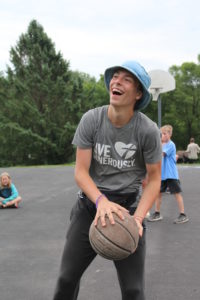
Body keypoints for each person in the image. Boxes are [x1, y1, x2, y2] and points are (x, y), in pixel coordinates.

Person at [52, 60, 162, 300]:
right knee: (65, 281)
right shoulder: (92, 120)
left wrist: (138, 219)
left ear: (138, 93)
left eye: (126, 79)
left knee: (134, 290)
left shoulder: (147, 130)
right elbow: (81, 172)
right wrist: (101, 201)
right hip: (91, 207)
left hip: (127, 211)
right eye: (115, 77)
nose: (117, 81)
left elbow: (154, 180)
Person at [148, 125, 189, 224]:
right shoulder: (161, 144)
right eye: (161, 134)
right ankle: (157, 213)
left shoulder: (171, 145)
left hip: (171, 175)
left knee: (177, 194)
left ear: (170, 134)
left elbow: (160, 154)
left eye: (164, 134)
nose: (162, 135)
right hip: (162, 175)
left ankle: (183, 214)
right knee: (158, 194)